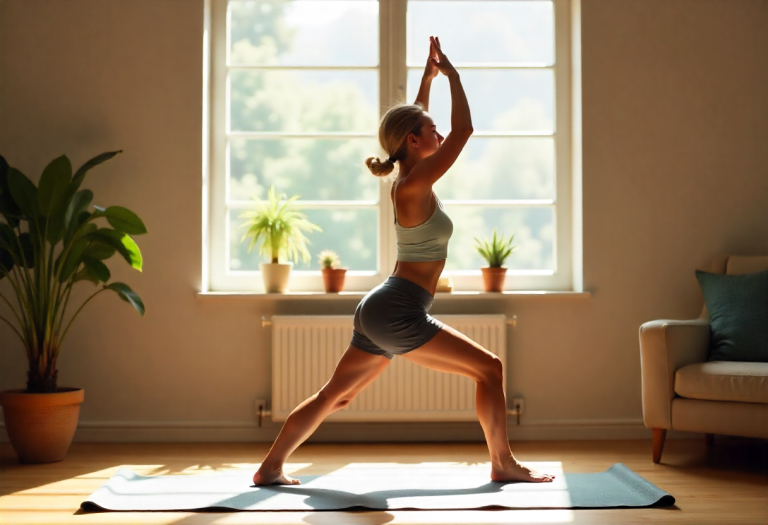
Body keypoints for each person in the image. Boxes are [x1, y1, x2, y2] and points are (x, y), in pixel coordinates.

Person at [253, 36, 555, 486]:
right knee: (489, 368)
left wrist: (427, 78)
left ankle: (269, 468)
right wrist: (454, 76)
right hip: (398, 308)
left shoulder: (407, 175)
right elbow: (464, 131)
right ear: (414, 142)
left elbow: (412, 122)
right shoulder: (414, 185)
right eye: (430, 132)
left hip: (383, 306)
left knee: (335, 398)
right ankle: (503, 463)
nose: (437, 135)